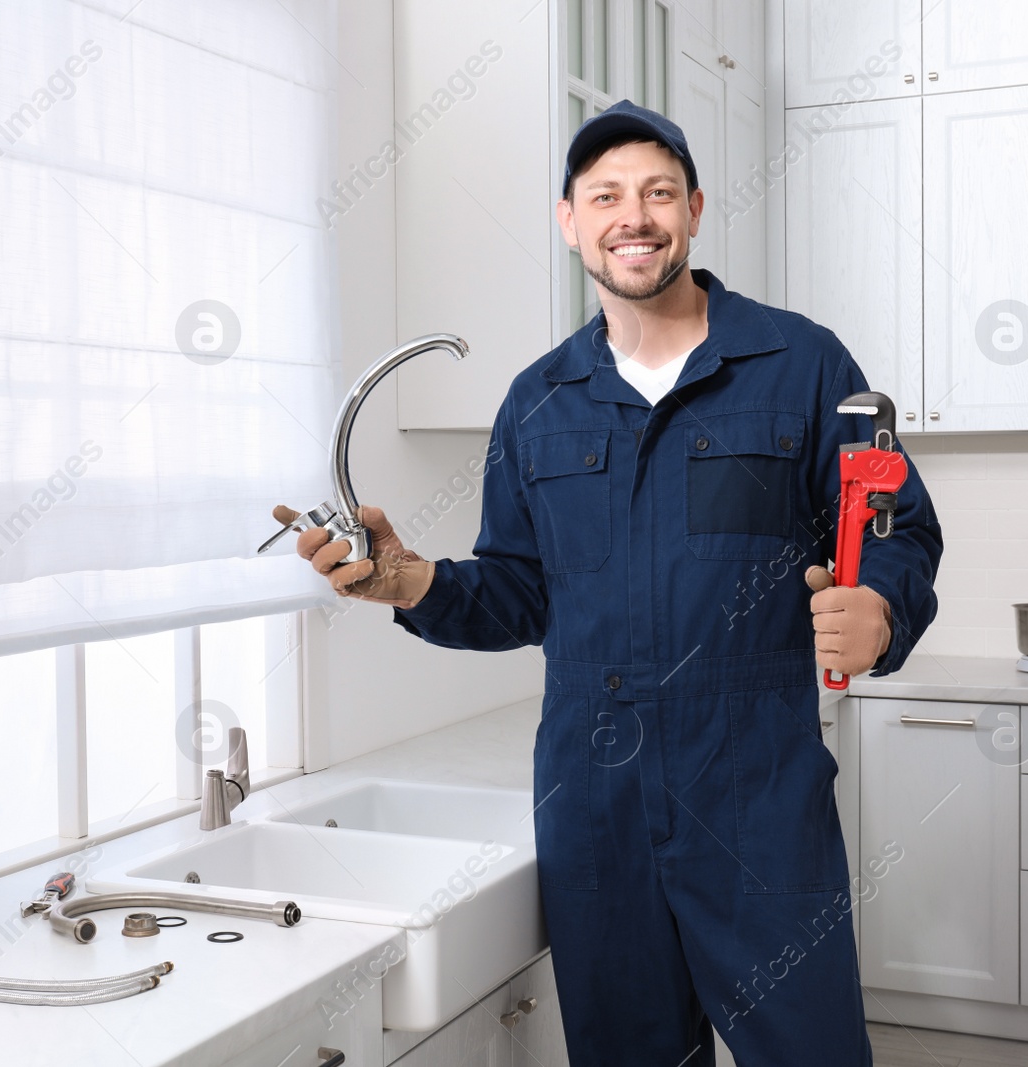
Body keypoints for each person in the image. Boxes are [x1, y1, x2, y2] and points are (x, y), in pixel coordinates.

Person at [289, 99, 943, 1066]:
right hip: (595, 802)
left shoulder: (799, 363)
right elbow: (518, 592)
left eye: (656, 193)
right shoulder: (538, 400)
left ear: (694, 210)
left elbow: (900, 525)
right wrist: (410, 580)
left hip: (757, 793)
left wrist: (880, 608)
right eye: (606, 196)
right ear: (570, 221)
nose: (632, 216)